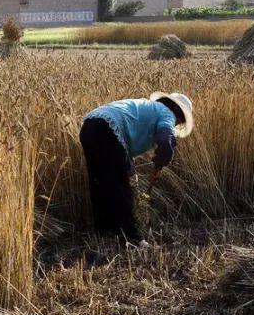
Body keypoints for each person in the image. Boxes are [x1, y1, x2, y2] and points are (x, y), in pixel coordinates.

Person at [79, 92, 195, 245]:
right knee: (120, 188)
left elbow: (122, 145)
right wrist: (163, 159)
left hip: (89, 125)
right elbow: (165, 140)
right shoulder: (167, 113)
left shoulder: (148, 107)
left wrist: (127, 166)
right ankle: (133, 239)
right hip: (107, 128)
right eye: (179, 121)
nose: (177, 124)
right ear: (177, 112)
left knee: (100, 183)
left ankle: (105, 232)